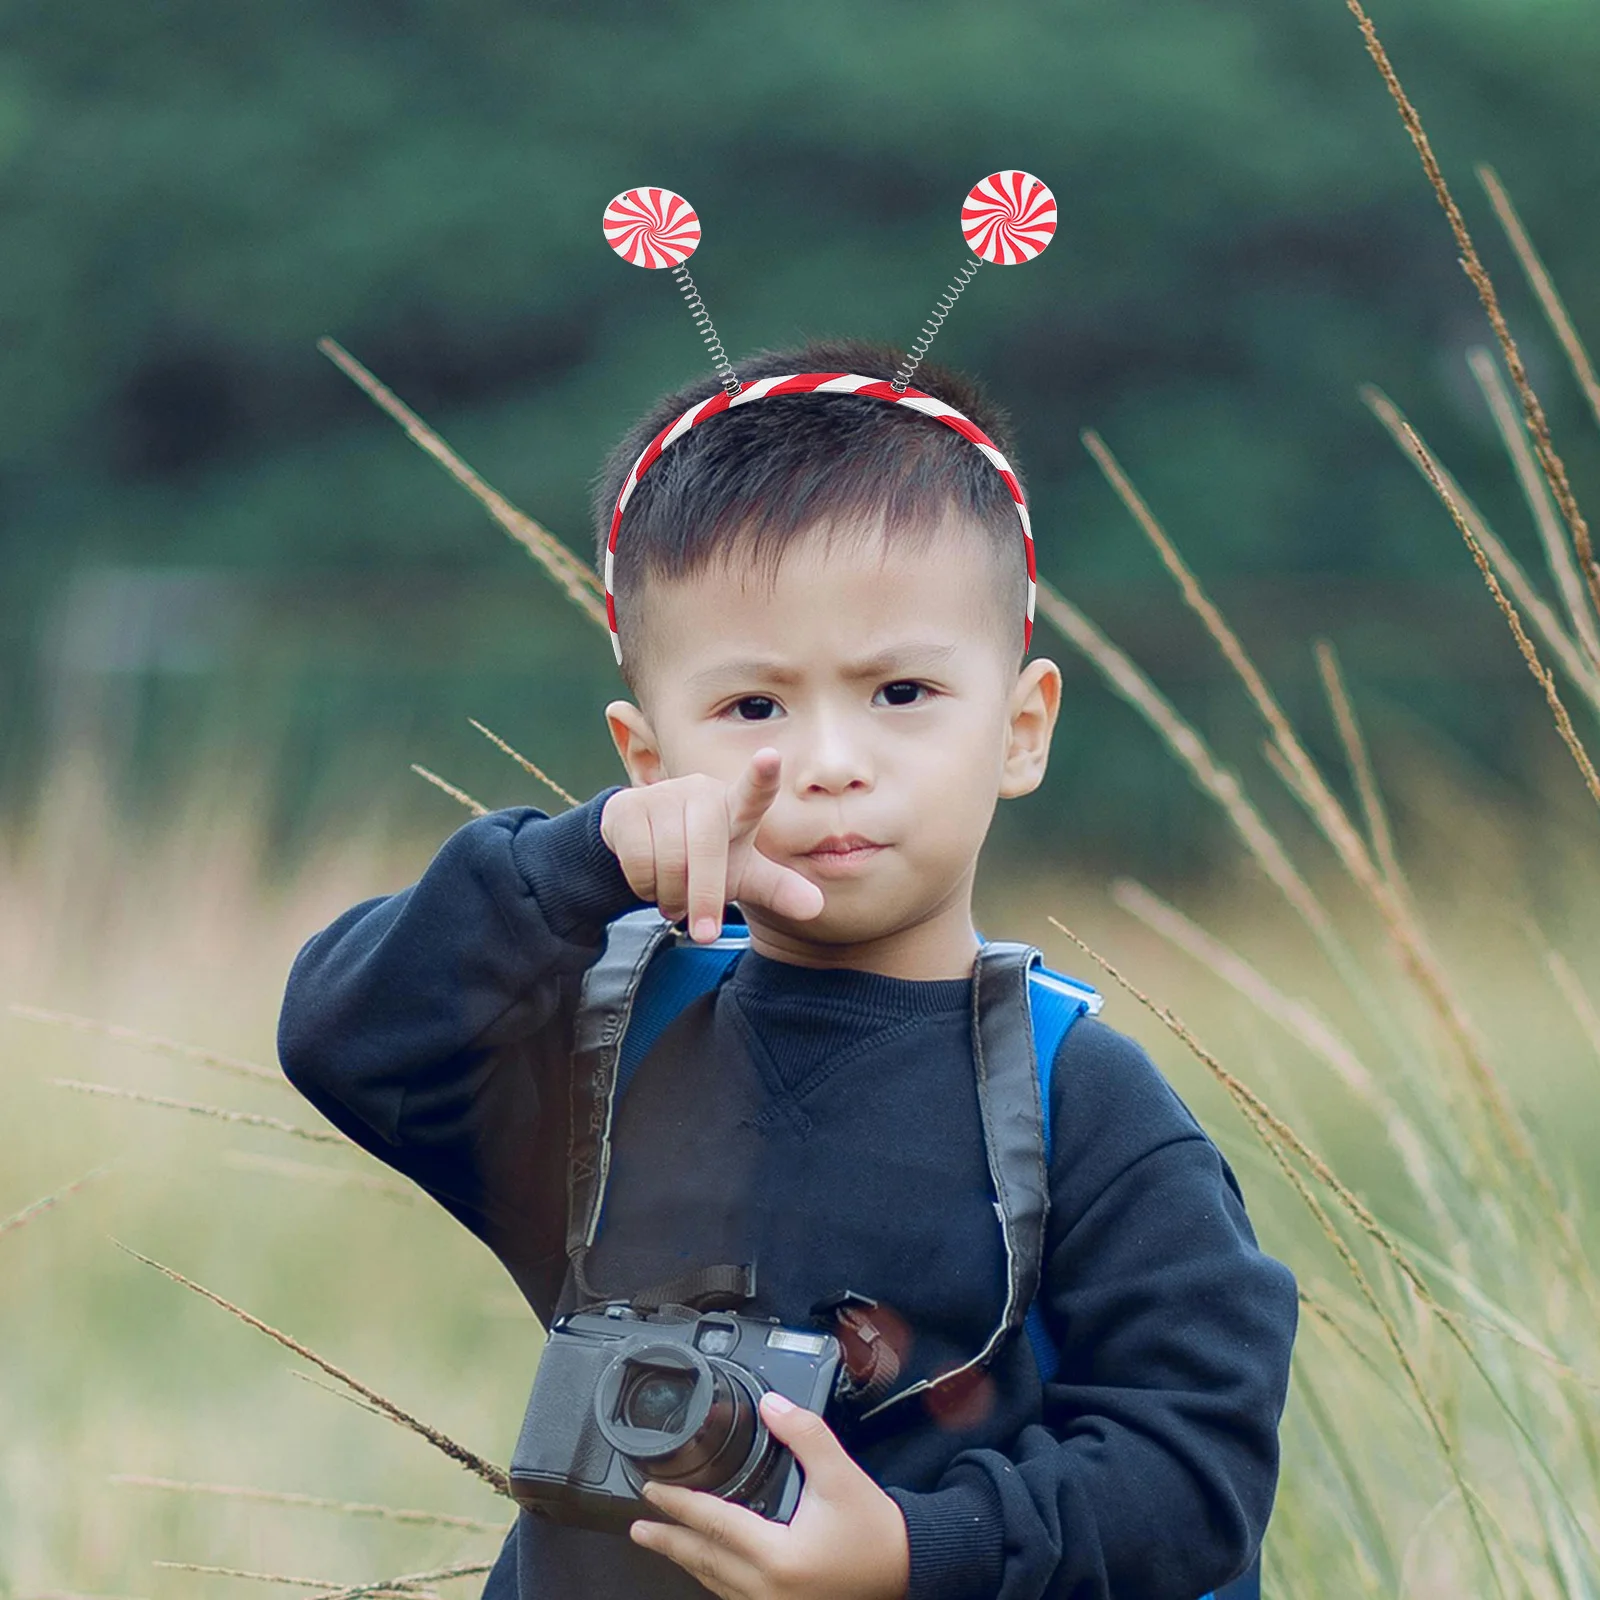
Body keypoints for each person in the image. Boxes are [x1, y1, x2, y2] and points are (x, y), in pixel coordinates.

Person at [277, 334, 1298, 1600]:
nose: (826, 760)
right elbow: (344, 1038)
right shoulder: (609, 1035)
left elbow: (1193, 1477)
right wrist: (575, 861)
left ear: (1021, 726)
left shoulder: (1077, 1105)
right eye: (752, 708)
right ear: (647, 760)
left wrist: (920, 1552)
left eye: (902, 690)